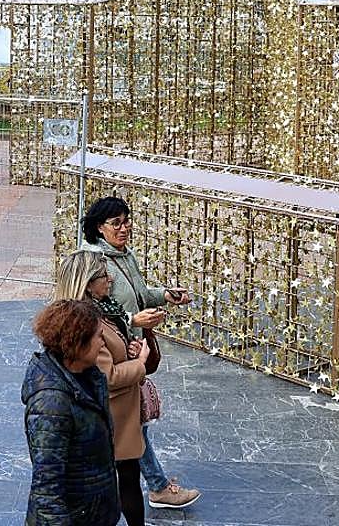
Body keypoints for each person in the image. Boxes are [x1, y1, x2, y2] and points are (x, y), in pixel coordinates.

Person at [82, 196, 200, 511]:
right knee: (131, 425)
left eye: (127, 221)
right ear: (99, 227)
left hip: (131, 350)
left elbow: (140, 293)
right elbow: (90, 310)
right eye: (116, 223)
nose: (124, 228)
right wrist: (134, 320)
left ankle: (152, 485)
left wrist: (165, 296)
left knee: (133, 423)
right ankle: (156, 487)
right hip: (112, 352)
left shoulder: (125, 255)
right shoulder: (92, 261)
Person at [54, 250, 149, 526]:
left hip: (115, 413)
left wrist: (128, 349)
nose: (110, 279)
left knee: (127, 476)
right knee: (126, 478)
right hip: (112, 414)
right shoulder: (85, 321)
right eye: (103, 275)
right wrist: (140, 363)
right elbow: (106, 375)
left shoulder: (101, 310)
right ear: (87, 283)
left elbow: (108, 353)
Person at [22, 298, 120, 526]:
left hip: (94, 512)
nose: (103, 342)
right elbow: (47, 489)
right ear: (78, 342)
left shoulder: (89, 376)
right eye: (98, 336)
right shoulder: (51, 404)